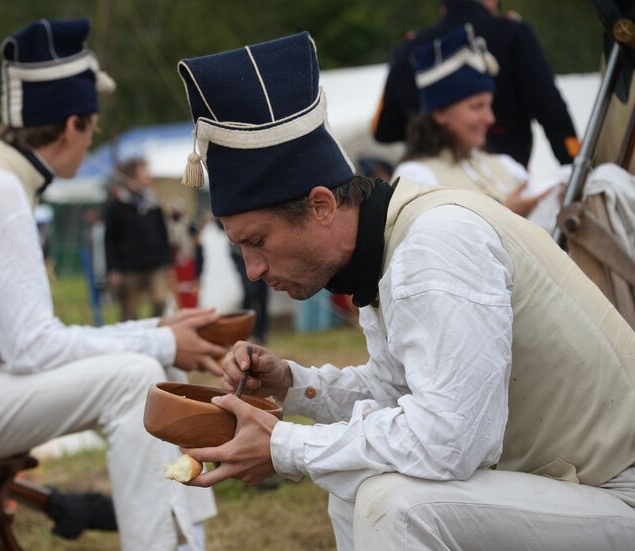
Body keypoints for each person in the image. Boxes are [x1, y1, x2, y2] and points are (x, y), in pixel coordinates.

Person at [175, 32, 635, 550]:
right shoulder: (395, 240)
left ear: (323, 205)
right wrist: (292, 383)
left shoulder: (433, 245)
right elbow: (405, 394)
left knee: (393, 505)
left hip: (619, 494)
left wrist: (286, 446)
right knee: (355, 483)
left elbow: (451, 441)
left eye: (256, 242)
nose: (252, 270)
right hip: (573, 488)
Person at [0, 19, 225, 551]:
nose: (92, 142)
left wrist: (158, 330)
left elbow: (34, 340)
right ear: (71, 125)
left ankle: (184, 543)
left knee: (159, 368)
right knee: (138, 380)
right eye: (93, 129)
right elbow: (33, 349)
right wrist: (157, 338)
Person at [391, 24, 560, 231]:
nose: (490, 118)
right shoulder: (416, 177)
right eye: (476, 106)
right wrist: (507, 214)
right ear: (440, 113)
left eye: (489, 105)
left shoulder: (506, 165)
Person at [373, 0, 579, 167]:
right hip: (508, 182)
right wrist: (573, 161)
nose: (488, 118)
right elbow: (550, 107)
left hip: (434, 187)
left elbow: (384, 129)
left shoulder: (410, 48)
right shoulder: (512, 32)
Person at [105, 157, 174, 320]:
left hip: (155, 263)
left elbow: (163, 233)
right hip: (129, 267)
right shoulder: (116, 206)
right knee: (130, 311)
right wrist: (113, 268)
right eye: (143, 175)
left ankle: (154, 331)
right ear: (132, 178)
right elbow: (110, 240)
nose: (147, 178)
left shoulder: (153, 203)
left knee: (161, 300)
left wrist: (168, 260)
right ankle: (131, 341)